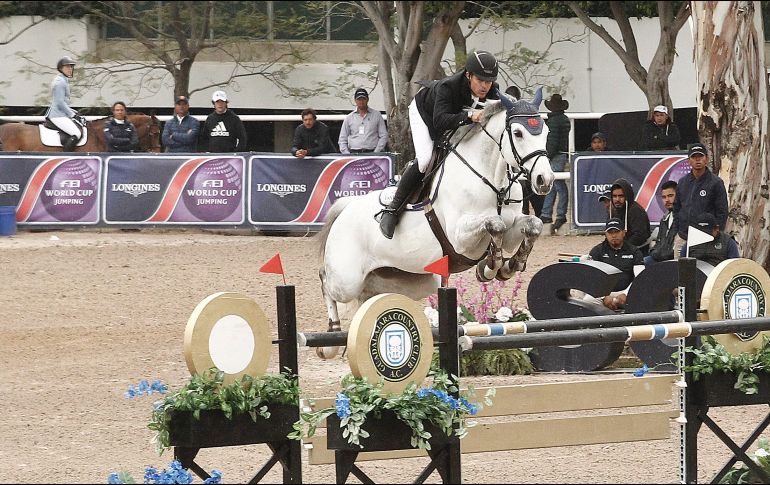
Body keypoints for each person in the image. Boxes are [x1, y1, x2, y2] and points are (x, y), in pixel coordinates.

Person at [378, 50, 501, 239]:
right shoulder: (448, 87)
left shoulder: (492, 89)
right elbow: (440, 122)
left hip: (453, 117)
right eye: (481, 80)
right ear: (468, 75)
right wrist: (469, 116)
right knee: (426, 159)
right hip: (425, 113)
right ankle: (392, 210)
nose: (485, 86)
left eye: (488, 81)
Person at [673, 143, 729, 251]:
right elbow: (677, 209)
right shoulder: (682, 182)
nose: (697, 160)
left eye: (701, 156)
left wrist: (717, 233)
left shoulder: (716, 183)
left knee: (702, 267)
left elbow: (722, 211)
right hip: (683, 237)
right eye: (694, 157)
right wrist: (677, 230)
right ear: (689, 160)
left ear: (707, 159)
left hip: (706, 238)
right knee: (679, 267)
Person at [588, 218, 644, 311]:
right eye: (610, 232)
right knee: (587, 301)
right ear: (605, 234)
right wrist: (603, 296)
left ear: (623, 232)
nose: (613, 235)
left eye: (617, 232)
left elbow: (640, 276)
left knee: (644, 298)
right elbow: (591, 277)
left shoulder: (634, 251)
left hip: (628, 292)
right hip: (603, 293)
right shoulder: (597, 251)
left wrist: (626, 294)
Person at [506, 85, 543, 218]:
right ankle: (529, 212)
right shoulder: (516, 115)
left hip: (522, 158)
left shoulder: (518, 115)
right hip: (517, 158)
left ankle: (529, 212)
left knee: (525, 186)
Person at [539, 94, 571, 232]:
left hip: (555, 155)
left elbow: (552, 141)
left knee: (556, 184)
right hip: (561, 153)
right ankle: (553, 214)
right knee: (556, 184)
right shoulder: (563, 119)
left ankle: (550, 214)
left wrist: (547, 155)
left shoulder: (553, 121)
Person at [45, 56, 82, 152]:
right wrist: (72, 114)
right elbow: (60, 102)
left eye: (71, 67)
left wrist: (75, 112)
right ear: (61, 68)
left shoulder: (63, 80)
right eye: (67, 67)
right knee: (77, 133)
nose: (70, 69)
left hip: (61, 114)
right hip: (57, 116)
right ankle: (65, 156)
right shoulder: (60, 82)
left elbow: (64, 103)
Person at [608, 178, 652, 256]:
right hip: (617, 250)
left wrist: (621, 248)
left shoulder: (636, 211)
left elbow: (640, 236)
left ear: (627, 196)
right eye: (614, 196)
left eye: (621, 196)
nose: (617, 199)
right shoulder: (613, 210)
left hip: (637, 251)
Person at [338, 88, 388, 154]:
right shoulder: (349, 117)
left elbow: (383, 136)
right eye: (359, 99)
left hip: (372, 152)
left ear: (367, 99)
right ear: (355, 100)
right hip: (353, 153)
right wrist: (347, 154)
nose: (361, 102)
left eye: (363, 99)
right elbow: (342, 139)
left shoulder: (377, 115)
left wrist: (376, 152)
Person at [644, 181, 677, 267]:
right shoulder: (664, 219)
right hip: (660, 258)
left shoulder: (684, 218)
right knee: (640, 264)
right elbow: (659, 243)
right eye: (664, 197)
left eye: (670, 196)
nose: (667, 200)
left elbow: (675, 250)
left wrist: (656, 254)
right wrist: (653, 252)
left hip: (673, 261)